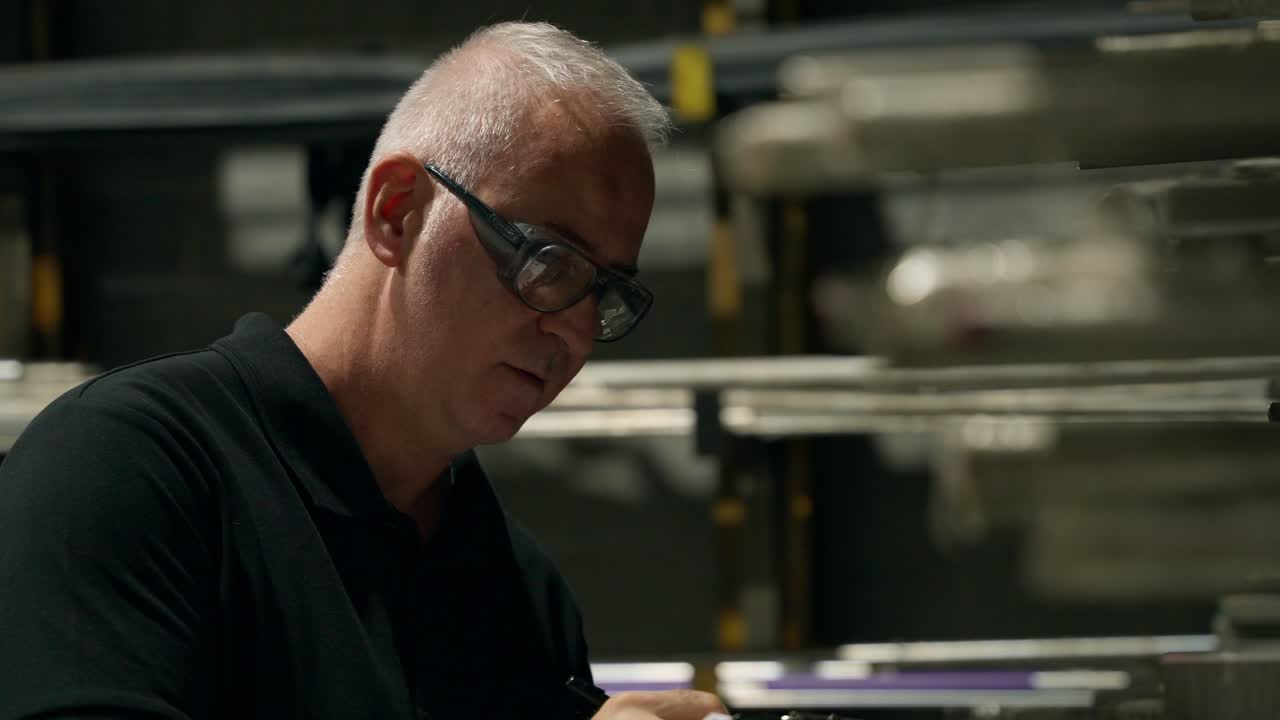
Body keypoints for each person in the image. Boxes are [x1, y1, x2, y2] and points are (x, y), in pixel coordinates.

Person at [0, 22, 726, 720]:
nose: (574, 330)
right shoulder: (125, 474)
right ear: (397, 211)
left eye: (606, 293)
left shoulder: (516, 590)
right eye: (547, 261)